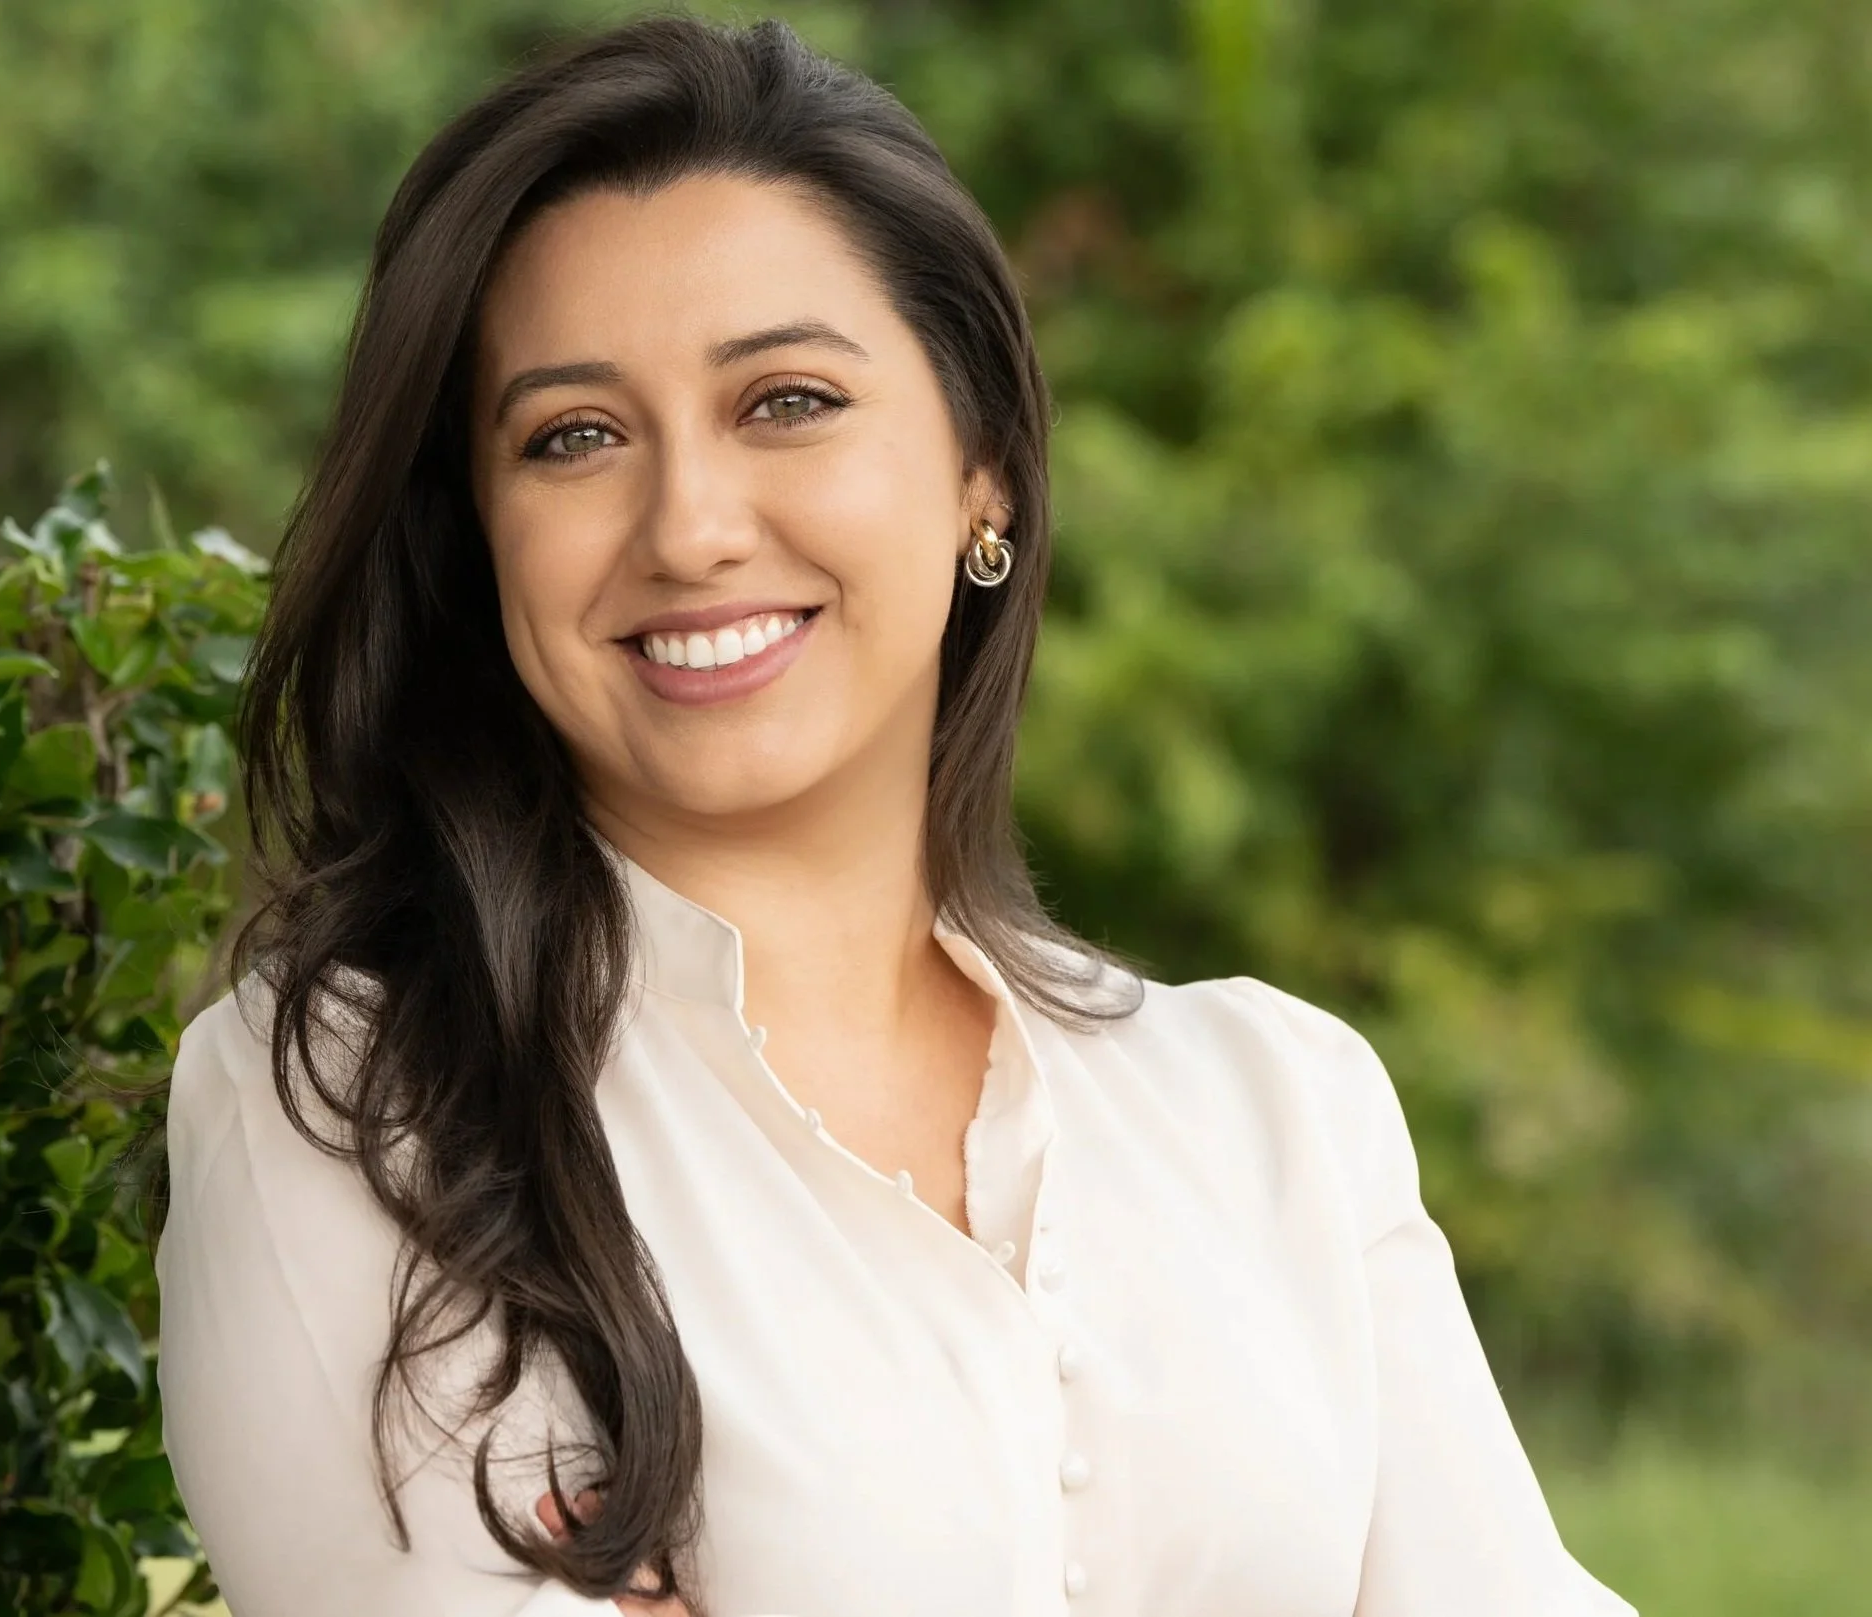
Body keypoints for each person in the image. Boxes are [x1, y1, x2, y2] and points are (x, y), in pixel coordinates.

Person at [153, 14, 1639, 1617]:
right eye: (573, 437)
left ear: (979, 466)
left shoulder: (1278, 1111)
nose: (692, 527)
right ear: (482, 537)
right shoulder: (352, 1119)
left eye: (786, 401)